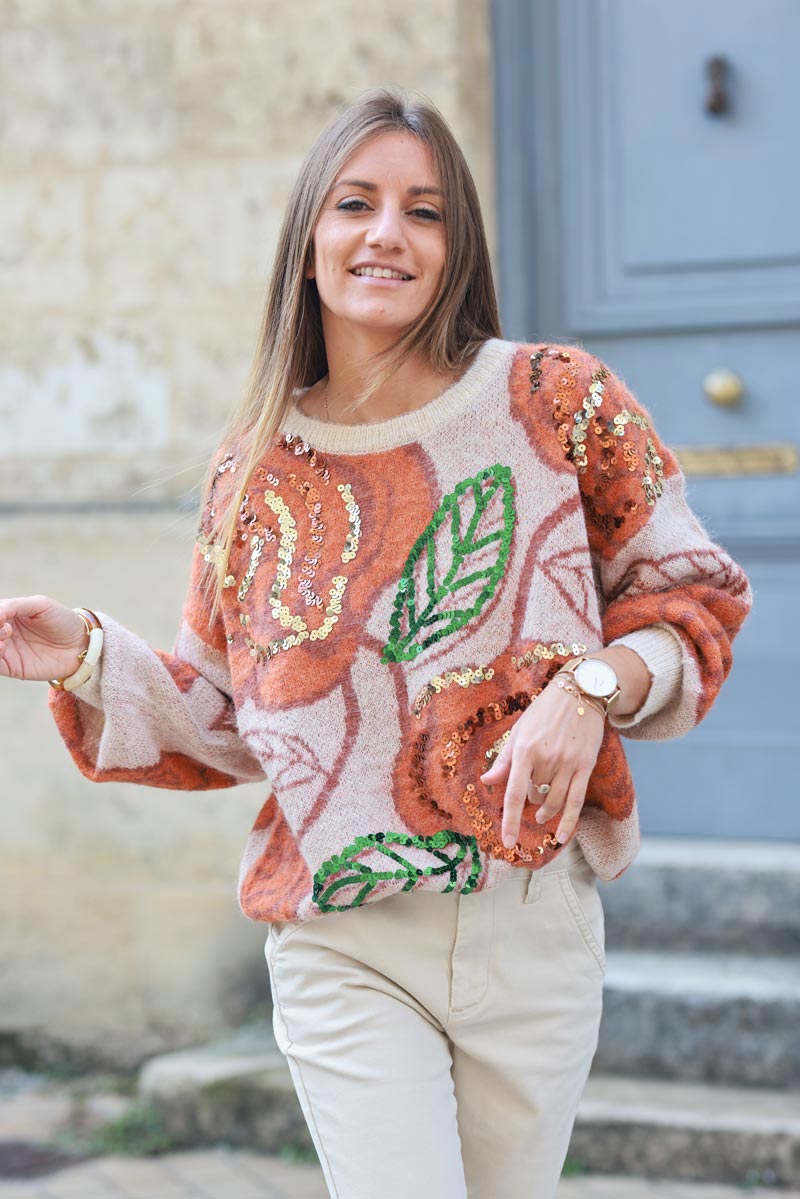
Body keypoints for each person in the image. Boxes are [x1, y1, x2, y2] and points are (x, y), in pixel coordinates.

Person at [0, 87, 751, 1199]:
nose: (386, 233)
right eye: (355, 203)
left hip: (530, 925)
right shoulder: (253, 469)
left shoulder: (558, 401)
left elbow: (693, 596)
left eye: (425, 210)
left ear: (457, 250)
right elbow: (230, 720)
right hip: (342, 933)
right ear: (308, 239)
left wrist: (587, 685)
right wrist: (86, 656)